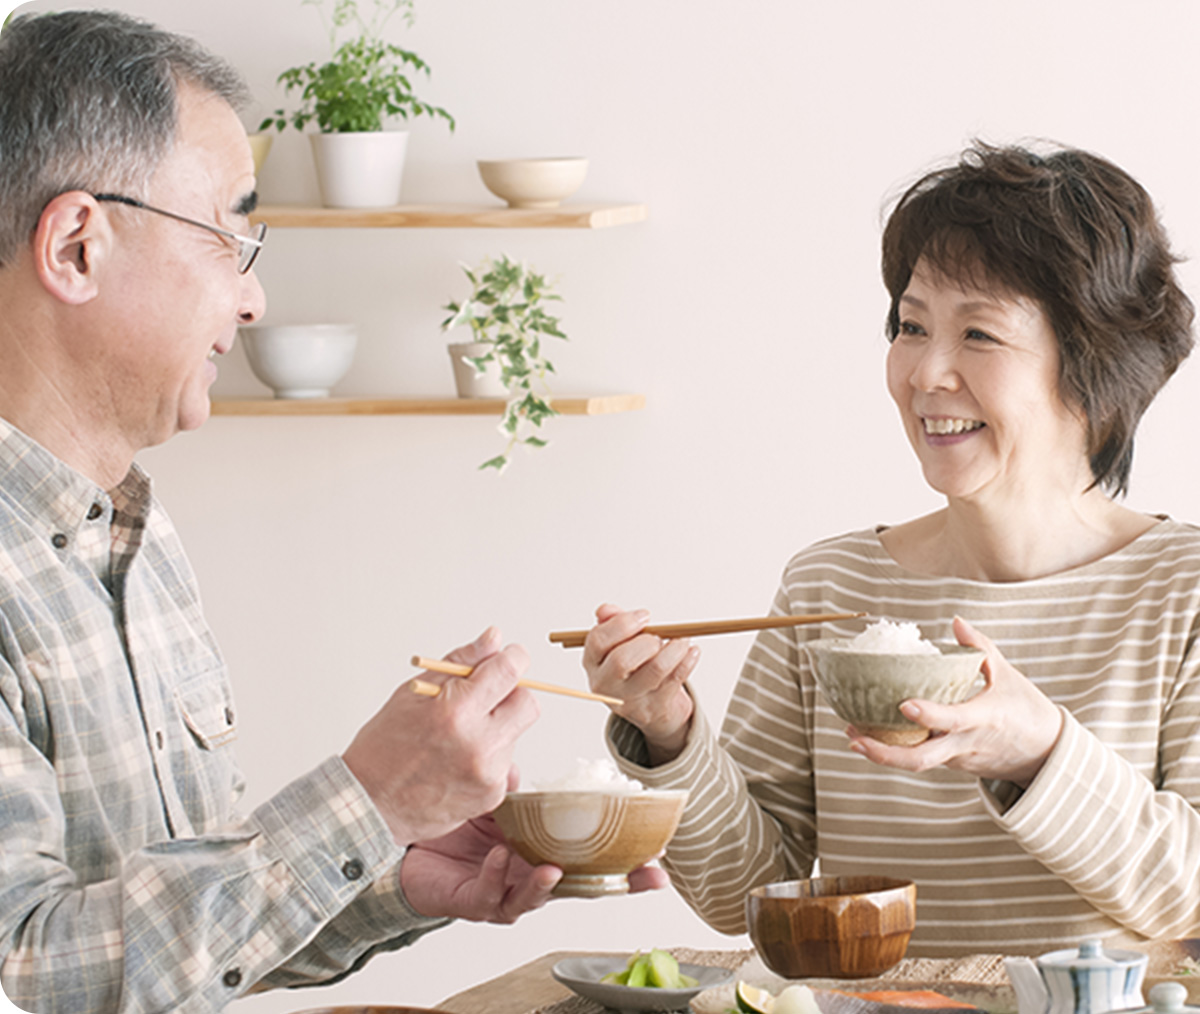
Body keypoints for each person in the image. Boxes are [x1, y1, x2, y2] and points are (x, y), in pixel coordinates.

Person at [0, 10, 666, 1013]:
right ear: (79, 247)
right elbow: (26, 976)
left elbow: (170, 955)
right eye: (232, 235)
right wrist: (366, 802)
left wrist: (389, 871)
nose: (254, 301)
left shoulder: (136, 533)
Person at [583, 141, 1200, 955]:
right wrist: (668, 736)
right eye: (911, 327)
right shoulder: (829, 583)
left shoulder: (1180, 590)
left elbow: (1188, 897)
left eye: (979, 334)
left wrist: (1038, 751)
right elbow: (741, 895)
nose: (926, 372)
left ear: (1095, 367)